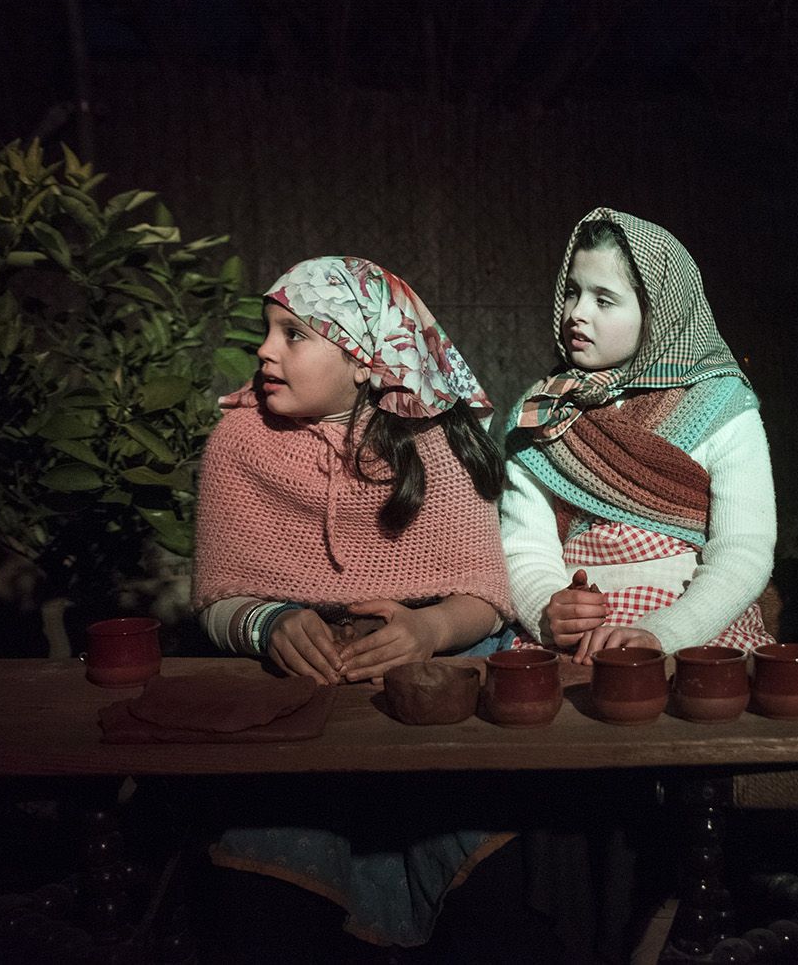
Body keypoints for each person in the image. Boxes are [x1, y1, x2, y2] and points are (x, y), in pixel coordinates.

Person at [189, 255, 549, 959]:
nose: (264, 349)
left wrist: (430, 626)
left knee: (475, 873)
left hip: (427, 678)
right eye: (267, 331)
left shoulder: (435, 441)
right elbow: (215, 597)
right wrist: (267, 623)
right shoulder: (239, 441)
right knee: (276, 890)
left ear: (363, 359)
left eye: (293, 334)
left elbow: (486, 594)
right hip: (303, 691)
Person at [500, 208, 777, 663]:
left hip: (696, 631)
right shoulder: (540, 413)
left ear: (658, 312)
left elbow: (742, 550)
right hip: (578, 644)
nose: (576, 314)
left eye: (604, 300)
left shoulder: (721, 405)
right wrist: (547, 609)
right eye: (572, 292)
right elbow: (525, 546)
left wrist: (664, 633)